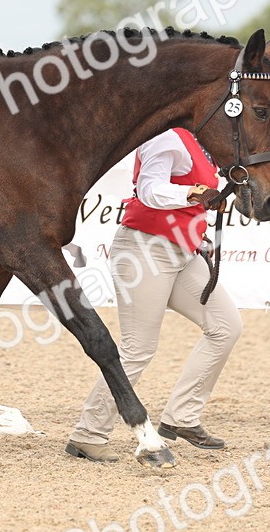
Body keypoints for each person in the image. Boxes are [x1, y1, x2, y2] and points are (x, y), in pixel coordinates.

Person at [65, 126, 240, 462]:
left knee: (225, 326)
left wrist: (197, 224)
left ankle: (182, 417)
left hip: (182, 250)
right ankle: (88, 434)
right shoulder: (167, 137)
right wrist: (193, 193)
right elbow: (150, 189)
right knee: (138, 348)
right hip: (145, 250)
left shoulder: (200, 143)